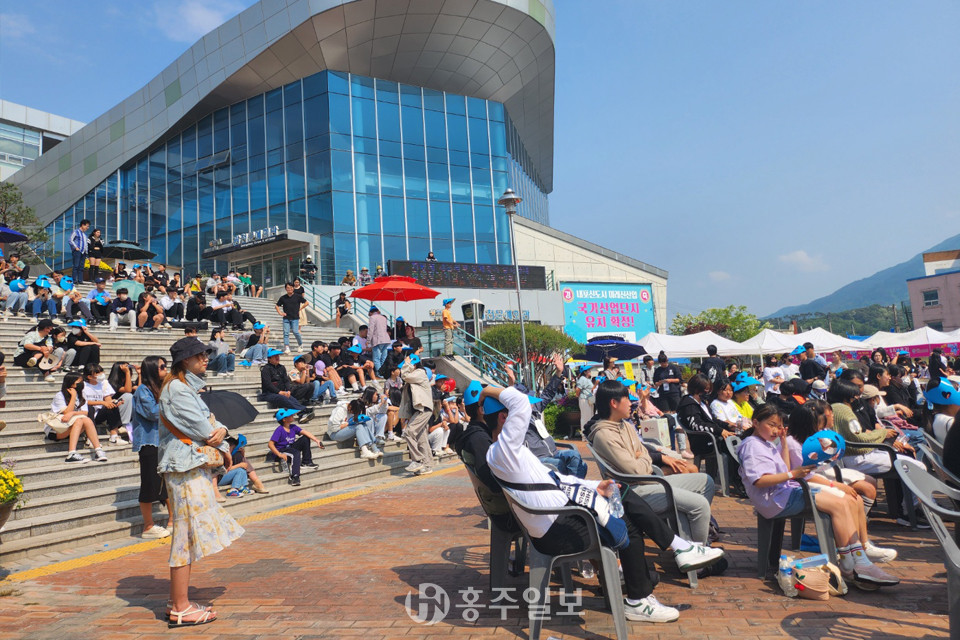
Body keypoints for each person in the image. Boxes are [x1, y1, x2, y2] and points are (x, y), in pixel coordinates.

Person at [484, 382, 721, 623]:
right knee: (628, 519)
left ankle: (670, 559)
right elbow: (521, 403)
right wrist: (487, 390)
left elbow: (557, 479)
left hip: (561, 517)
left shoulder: (511, 452)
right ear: (504, 418)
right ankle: (653, 580)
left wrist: (595, 486)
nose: (532, 418)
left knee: (621, 493)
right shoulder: (504, 451)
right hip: (557, 529)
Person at [737, 404, 899, 587]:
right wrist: (793, 474)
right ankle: (851, 563)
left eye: (779, 426)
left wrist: (782, 446)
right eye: (771, 425)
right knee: (839, 503)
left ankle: (857, 557)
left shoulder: (765, 442)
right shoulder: (752, 446)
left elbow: (783, 467)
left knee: (844, 501)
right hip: (776, 499)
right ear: (756, 422)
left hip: (785, 492)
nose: (776, 430)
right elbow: (759, 480)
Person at [159, 336, 244, 627]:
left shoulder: (184, 388)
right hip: (183, 465)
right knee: (184, 534)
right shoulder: (178, 390)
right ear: (186, 360)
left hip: (187, 463)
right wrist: (218, 434)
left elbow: (212, 421)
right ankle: (180, 607)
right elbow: (205, 428)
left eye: (205, 354)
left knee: (188, 532)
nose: (205, 359)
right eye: (199, 356)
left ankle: (177, 600)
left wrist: (218, 429)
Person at [589, 380, 719, 548]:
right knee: (698, 504)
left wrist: (640, 456)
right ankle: (698, 553)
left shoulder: (625, 426)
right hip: (634, 492)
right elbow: (635, 471)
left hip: (649, 481)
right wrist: (642, 457)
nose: (631, 403)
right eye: (627, 399)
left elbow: (642, 453)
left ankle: (689, 544)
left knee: (706, 481)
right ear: (613, 403)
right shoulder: (604, 435)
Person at [829, 378, 927, 526]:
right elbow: (858, 437)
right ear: (846, 394)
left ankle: (910, 509)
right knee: (916, 467)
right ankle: (910, 512)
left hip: (855, 455)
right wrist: (882, 434)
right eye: (854, 394)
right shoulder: (844, 410)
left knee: (911, 464)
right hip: (857, 457)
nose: (857, 397)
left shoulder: (836, 408)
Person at [131, 355, 171, 539]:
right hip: (149, 443)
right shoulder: (143, 390)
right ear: (153, 370)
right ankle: (148, 526)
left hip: (164, 442)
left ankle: (172, 519)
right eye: (162, 367)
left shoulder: (160, 388)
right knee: (149, 483)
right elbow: (153, 413)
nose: (165, 369)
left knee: (167, 482)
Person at [48, 372, 108, 463]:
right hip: (57, 430)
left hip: (71, 427)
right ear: (71, 383)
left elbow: (85, 412)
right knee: (79, 421)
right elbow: (66, 413)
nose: (81, 384)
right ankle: (71, 454)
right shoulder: (60, 395)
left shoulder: (81, 395)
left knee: (86, 420)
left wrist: (72, 413)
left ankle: (98, 450)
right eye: (79, 382)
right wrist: (73, 397)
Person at [268, 409, 323, 486]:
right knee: (295, 453)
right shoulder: (279, 430)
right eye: (290, 415)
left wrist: (317, 440)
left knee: (305, 438)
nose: (293, 416)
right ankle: (295, 476)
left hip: (290, 448)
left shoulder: (293, 427)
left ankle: (306, 462)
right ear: (284, 419)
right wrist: (279, 454)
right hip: (282, 450)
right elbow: (270, 444)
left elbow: (305, 432)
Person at [400, 354, 434, 475]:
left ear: (413, 364)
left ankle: (417, 460)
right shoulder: (414, 376)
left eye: (408, 365)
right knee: (421, 438)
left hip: (423, 409)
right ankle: (427, 464)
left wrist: (406, 364)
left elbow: (405, 375)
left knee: (409, 432)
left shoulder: (419, 372)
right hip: (418, 410)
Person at [260, 348, 312, 415]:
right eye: (274, 356)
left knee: (292, 399)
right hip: (269, 394)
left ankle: (303, 409)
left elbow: (286, 381)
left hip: (282, 392)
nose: (277, 357)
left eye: (277, 356)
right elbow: (268, 384)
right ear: (269, 359)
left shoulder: (281, 367)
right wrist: (279, 392)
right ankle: (302, 410)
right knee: (282, 398)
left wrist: (288, 390)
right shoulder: (265, 369)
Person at [276, 282, 308, 354]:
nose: (289, 289)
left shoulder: (297, 296)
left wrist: (301, 308)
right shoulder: (283, 297)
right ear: (285, 289)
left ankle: (300, 345)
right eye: (287, 288)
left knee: (296, 332)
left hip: (295, 317)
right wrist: (280, 313)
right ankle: (286, 347)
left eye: (291, 288)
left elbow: (306, 302)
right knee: (286, 333)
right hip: (286, 318)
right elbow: (277, 306)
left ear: (293, 288)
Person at [367, 306, 392, 373]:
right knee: (383, 357)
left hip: (377, 340)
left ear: (371, 312)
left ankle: (380, 373)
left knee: (376, 358)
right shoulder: (383, 317)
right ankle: (385, 372)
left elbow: (370, 330)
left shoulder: (372, 318)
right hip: (386, 339)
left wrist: (368, 340)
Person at [69, 219, 91, 284]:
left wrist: (86, 253)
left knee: (81, 267)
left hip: (83, 252)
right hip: (77, 251)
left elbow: (86, 244)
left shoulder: (85, 235)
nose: (87, 228)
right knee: (76, 265)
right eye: (87, 226)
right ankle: (74, 279)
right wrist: (75, 247)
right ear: (82, 225)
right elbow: (70, 240)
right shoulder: (76, 232)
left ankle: (80, 280)